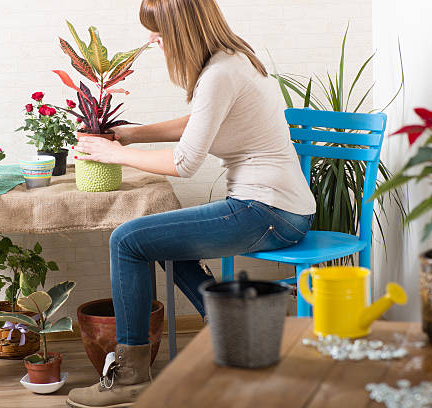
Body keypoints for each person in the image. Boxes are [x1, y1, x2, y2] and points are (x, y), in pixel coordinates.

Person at [66, 0, 315, 406]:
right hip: (277, 207)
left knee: (127, 240)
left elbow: (184, 162)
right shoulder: (232, 59)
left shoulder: (219, 73)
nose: (152, 39)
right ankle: (234, 329)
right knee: (160, 237)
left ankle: (130, 376)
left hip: (268, 212)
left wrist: (114, 155)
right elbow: (200, 121)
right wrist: (129, 136)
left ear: (182, 28)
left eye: (158, 30)